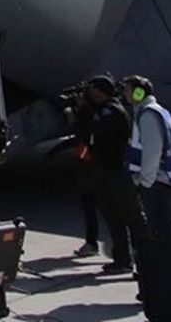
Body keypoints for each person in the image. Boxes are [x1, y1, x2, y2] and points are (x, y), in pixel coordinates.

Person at [83, 74, 144, 275]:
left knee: (131, 217)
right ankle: (122, 259)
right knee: (113, 217)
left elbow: (93, 127)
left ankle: (145, 260)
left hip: (116, 172)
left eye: (93, 91)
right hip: (105, 171)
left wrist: (83, 109)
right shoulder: (104, 110)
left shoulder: (112, 111)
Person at [123, 75, 171, 241]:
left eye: (127, 90)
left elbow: (152, 151)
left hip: (159, 183)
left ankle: (167, 264)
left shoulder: (148, 115)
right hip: (168, 180)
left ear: (138, 93)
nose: (124, 93)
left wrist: (144, 181)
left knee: (161, 232)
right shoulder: (157, 111)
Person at [67, 79, 106, 257]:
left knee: (110, 210)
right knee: (90, 207)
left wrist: (85, 162)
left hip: (97, 168)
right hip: (91, 166)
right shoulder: (92, 112)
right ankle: (91, 242)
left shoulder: (102, 113)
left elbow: (86, 142)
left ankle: (126, 252)